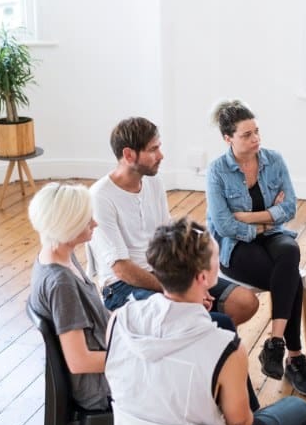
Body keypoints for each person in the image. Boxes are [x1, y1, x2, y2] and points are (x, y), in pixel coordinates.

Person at [105, 218, 306, 425]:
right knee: (299, 411)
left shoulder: (119, 320)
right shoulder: (225, 347)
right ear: (203, 276)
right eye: (215, 258)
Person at [88, 116, 258, 330]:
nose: (161, 156)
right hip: (122, 286)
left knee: (245, 302)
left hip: (163, 272)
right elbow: (122, 269)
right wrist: (184, 292)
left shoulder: (154, 182)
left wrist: (192, 282)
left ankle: (196, 344)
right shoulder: (100, 197)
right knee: (196, 320)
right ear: (129, 155)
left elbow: (167, 239)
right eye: (153, 150)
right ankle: (194, 344)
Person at [205, 100, 306, 398]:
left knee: (289, 251)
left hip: (272, 237)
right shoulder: (217, 171)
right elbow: (225, 225)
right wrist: (265, 221)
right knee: (289, 279)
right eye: (246, 135)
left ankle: (275, 343)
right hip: (235, 247)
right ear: (227, 138)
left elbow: (290, 207)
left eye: (257, 131)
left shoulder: (273, 160)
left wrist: (251, 218)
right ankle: (294, 358)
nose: (256, 139)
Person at [27, 182, 110, 411]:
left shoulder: (61, 255)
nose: (95, 223)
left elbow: (97, 316)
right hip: (100, 388)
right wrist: (133, 359)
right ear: (68, 226)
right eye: (87, 220)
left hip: (109, 353)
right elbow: (79, 361)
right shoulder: (61, 283)